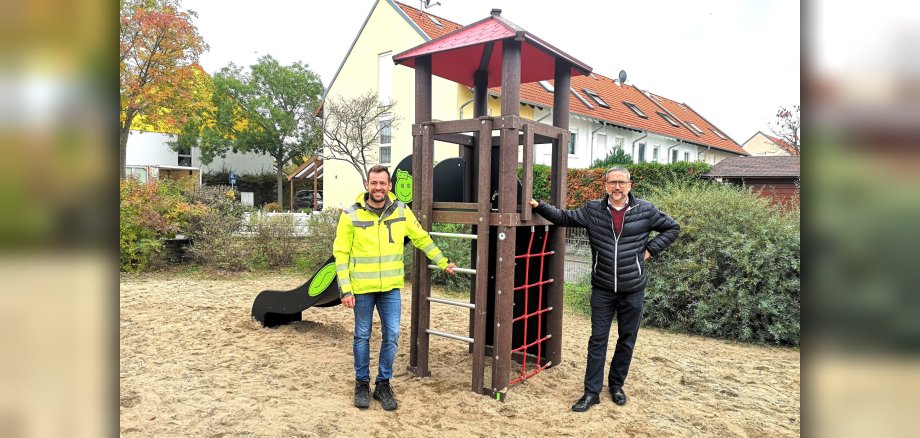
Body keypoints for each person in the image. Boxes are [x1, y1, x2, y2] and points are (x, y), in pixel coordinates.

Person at [529, 166, 680, 412]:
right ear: (605, 185)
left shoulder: (646, 210)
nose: (617, 187)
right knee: (597, 340)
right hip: (602, 288)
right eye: (612, 182)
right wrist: (538, 206)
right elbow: (563, 218)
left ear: (630, 185)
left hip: (633, 288)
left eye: (621, 182)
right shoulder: (592, 210)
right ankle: (591, 393)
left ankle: (617, 385)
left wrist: (650, 251)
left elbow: (672, 228)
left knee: (626, 339)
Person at [333, 165, 457, 411]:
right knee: (362, 335)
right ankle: (361, 383)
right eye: (374, 183)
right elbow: (341, 253)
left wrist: (442, 262)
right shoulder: (351, 215)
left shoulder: (401, 211)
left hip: (390, 288)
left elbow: (421, 237)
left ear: (389, 186)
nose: (378, 187)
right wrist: (346, 290)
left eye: (382, 183)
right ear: (367, 185)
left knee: (391, 335)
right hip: (362, 288)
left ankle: (382, 384)